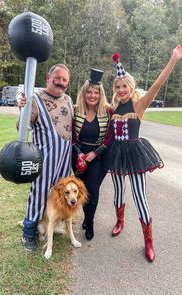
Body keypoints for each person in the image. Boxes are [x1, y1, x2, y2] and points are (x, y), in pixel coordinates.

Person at [103, 41, 182, 262]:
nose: (121, 90)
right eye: (117, 86)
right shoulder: (113, 110)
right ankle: (120, 221)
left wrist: (173, 59)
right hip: (116, 155)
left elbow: (158, 84)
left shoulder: (139, 105)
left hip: (134, 155)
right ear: (114, 89)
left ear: (131, 87)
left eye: (125, 86)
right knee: (118, 192)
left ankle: (148, 241)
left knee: (139, 196)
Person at [18, 64, 73, 251]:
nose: (61, 82)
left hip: (64, 159)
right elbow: (21, 127)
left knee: (60, 194)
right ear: (48, 79)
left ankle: (54, 223)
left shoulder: (68, 100)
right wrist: (23, 108)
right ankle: (29, 231)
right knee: (39, 194)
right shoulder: (35, 99)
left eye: (65, 80)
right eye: (57, 78)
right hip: (43, 159)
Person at [72, 68, 112, 240]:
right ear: (84, 93)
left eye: (96, 92)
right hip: (78, 155)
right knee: (81, 189)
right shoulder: (75, 110)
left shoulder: (108, 112)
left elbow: (111, 136)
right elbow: (70, 136)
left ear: (100, 94)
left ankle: (90, 222)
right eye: (89, 92)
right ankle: (86, 217)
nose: (93, 96)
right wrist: (79, 153)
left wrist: (96, 153)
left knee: (92, 189)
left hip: (98, 157)